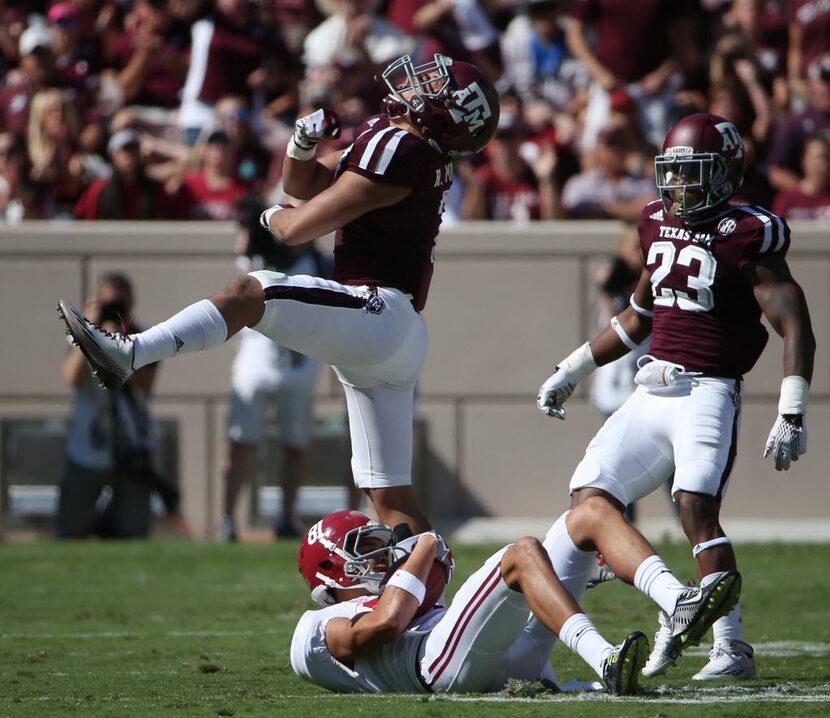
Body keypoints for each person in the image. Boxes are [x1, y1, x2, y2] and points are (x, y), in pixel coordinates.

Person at [58, 53, 500, 537]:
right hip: (392, 332)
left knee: (251, 291)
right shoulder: (402, 145)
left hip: (379, 313)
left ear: (444, 111)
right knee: (391, 498)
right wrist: (302, 142)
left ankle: (131, 354)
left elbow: (293, 226)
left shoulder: (403, 149)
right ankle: (433, 602)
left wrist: (265, 218)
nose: (418, 82)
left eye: (433, 85)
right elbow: (303, 183)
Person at [536, 113, 816, 681]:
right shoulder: (655, 220)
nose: (678, 186)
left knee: (695, 510)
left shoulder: (748, 233)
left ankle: (732, 648)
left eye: (693, 173)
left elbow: (795, 324)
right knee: (589, 498)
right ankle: (675, 604)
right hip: (651, 388)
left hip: (707, 392)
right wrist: (572, 367)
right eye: (673, 173)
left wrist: (792, 409)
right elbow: (638, 314)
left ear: (726, 173)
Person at [289, 506, 740, 694]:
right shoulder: (316, 629)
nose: (381, 551)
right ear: (331, 571)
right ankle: (605, 659)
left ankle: (678, 599)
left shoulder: (398, 589)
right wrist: (424, 546)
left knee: (586, 515)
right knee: (521, 553)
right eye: (366, 546)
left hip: (492, 655)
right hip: (439, 667)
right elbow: (386, 624)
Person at [220, 201, 329, 541]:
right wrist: (257, 222)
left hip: (298, 365)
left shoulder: (323, 264)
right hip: (256, 361)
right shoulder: (259, 256)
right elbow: (243, 244)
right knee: (241, 442)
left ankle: (287, 516)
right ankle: (227, 519)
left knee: (295, 444)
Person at [57, 272, 177, 539]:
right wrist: (88, 331)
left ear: (131, 302)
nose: (114, 309)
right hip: (87, 447)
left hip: (131, 449)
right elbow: (71, 377)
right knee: (72, 530)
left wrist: (116, 344)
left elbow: (144, 384)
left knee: (131, 534)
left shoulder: (143, 338)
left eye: (119, 304)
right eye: (108, 303)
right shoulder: (80, 335)